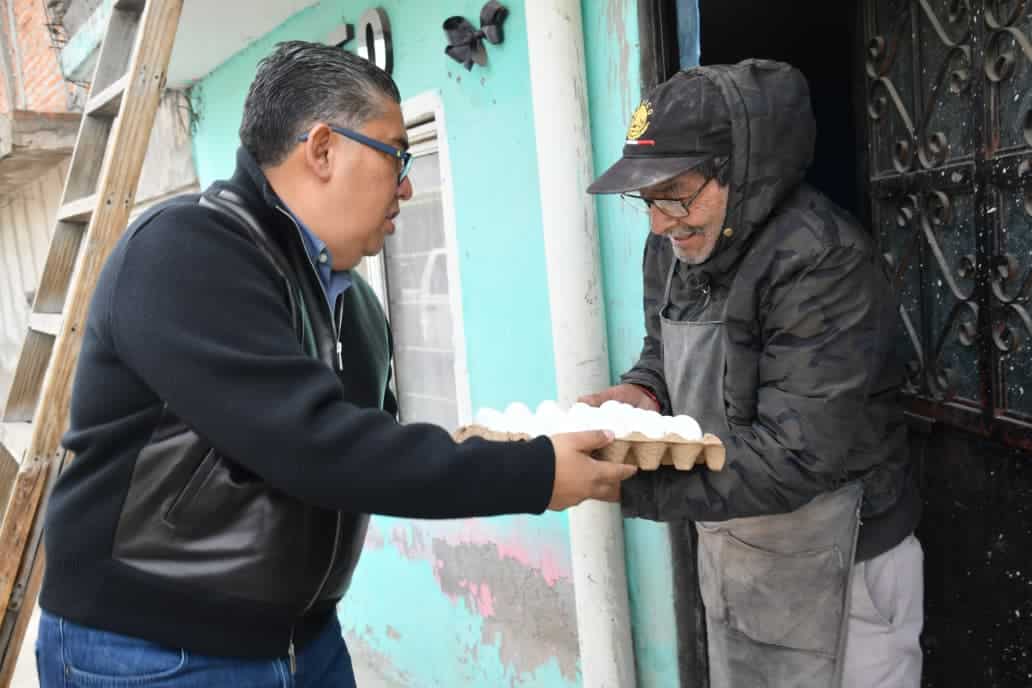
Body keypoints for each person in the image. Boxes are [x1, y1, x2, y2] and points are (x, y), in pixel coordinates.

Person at [36, 41, 635, 688]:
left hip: (303, 637)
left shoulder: (352, 303)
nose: (406, 185)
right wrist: (534, 473)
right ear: (322, 149)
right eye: (397, 155)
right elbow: (312, 446)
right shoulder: (187, 252)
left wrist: (505, 445)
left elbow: (372, 451)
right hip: (156, 649)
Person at [581, 60, 923, 687]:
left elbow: (798, 455)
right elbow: (663, 347)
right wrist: (641, 392)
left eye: (675, 192)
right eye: (647, 199)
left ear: (738, 172)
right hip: (741, 547)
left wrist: (623, 486)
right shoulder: (673, 245)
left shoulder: (821, 260)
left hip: (849, 560)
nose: (660, 222)